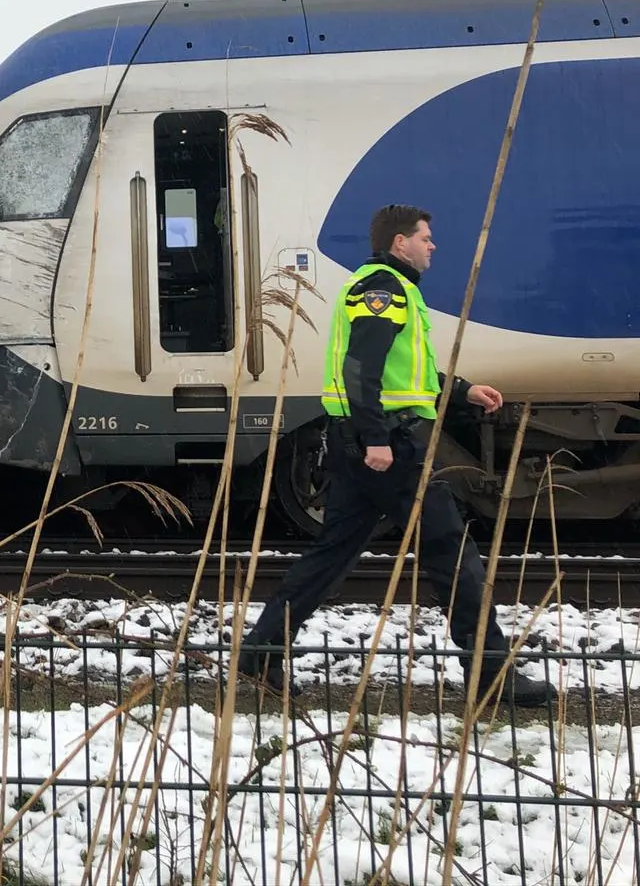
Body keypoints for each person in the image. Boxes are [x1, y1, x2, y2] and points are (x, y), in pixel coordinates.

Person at [235, 204, 554, 707]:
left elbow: (408, 376)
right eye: (425, 238)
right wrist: (376, 438)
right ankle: (490, 673)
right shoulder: (381, 290)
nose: (433, 246)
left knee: (332, 556)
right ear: (400, 243)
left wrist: (463, 391)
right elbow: (361, 368)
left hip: (367, 443)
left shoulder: (395, 290)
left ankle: (260, 652)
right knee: (452, 551)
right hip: (391, 447)